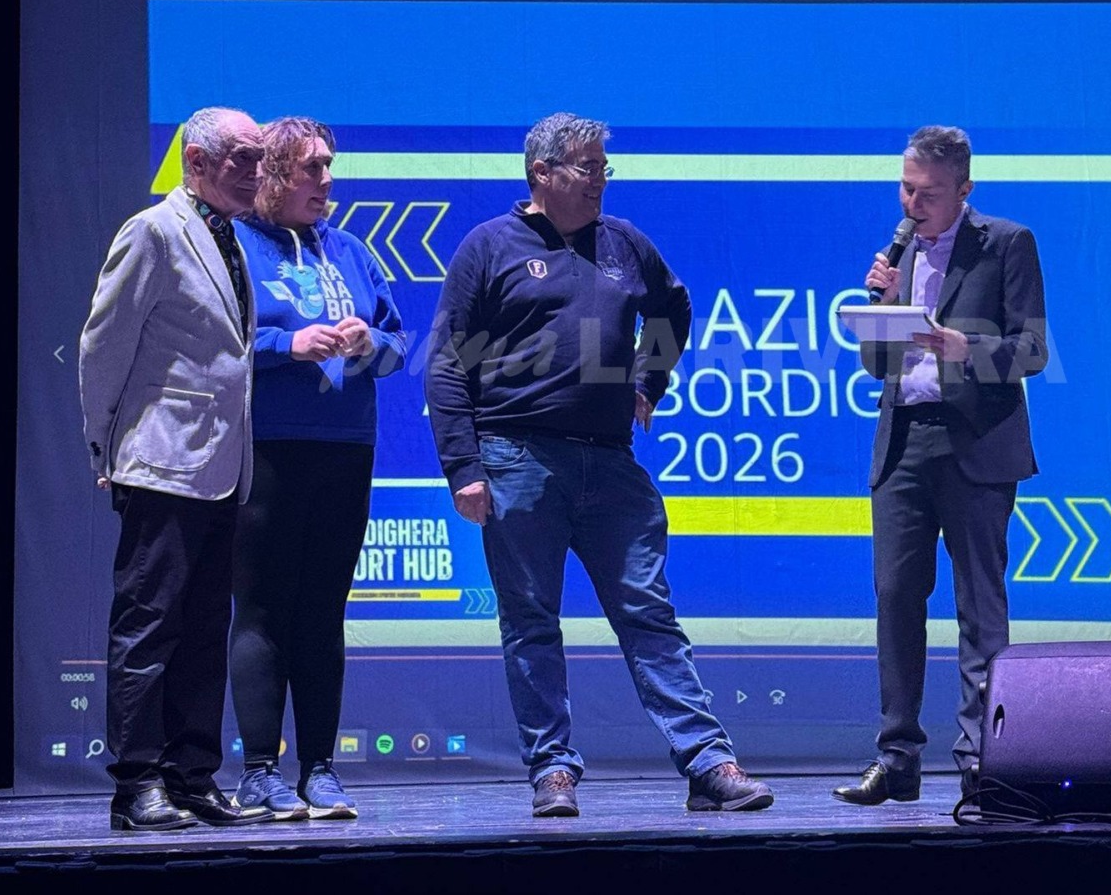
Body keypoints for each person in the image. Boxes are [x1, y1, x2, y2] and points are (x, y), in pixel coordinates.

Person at [425, 111, 774, 817]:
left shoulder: (624, 243)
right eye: (586, 168)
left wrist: (651, 380)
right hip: (517, 458)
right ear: (541, 173)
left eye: (603, 168)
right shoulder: (488, 246)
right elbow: (446, 364)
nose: (599, 182)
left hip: (612, 463)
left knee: (649, 613)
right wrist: (463, 466)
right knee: (531, 623)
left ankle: (708, 762)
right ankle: (552, 770)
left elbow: (672, 307)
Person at [833, 125, 1048, 806]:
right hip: (904, 443)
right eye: (906, 188)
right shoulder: (898, 254)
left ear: (964, 189)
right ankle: (896, 757)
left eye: (927, 192)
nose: (912, 204)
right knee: (896, 595)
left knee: (979, 604)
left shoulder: (1006, 243)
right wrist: (883, 301)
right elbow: (877, 365)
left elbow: (1033, 350)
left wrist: (966, 348)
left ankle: (984, 757)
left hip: (976, 442)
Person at [79, 106, 274, 831]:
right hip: (159, 460)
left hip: (220, 465)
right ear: (196, 161)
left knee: (203, 630)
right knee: (149, 627)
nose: (256, 171)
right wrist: (105, 444)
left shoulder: (230, 238)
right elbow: (103, 346)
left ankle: (192, 776)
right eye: (242, 157)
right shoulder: (153, 231)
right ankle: (137, 783)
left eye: (259, 157)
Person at [228, 117, 406, 821]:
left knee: (324, 610)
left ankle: (320, 770)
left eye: (329, 165)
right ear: (273, 173)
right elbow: (215, 345)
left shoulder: (352, 251)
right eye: (313, 167)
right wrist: (287, 344)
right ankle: (258, 772)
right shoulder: (233, 245)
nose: (328, 180)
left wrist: (367, 342)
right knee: (264, 607)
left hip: (345, 448)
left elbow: (399, 345)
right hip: (268, 446)